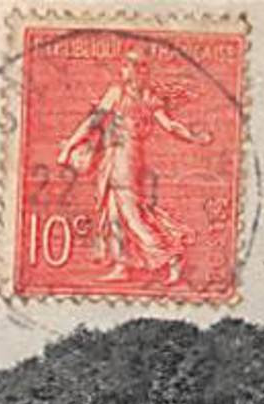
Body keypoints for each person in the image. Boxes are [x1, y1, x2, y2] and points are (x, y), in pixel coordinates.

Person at [56, 48, 213, 285]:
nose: (136, 70)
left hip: (125, 157)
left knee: (129, 212)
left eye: (141, 66)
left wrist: (69, 146)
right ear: (125, 70)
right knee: (114, 211)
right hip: (118, 155)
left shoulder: (127, 94)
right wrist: (193, 136)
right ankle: (122, 266)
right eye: (133, 66)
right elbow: (168, 125)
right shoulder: (135, 95)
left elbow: (93, 123)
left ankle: (171, 254)